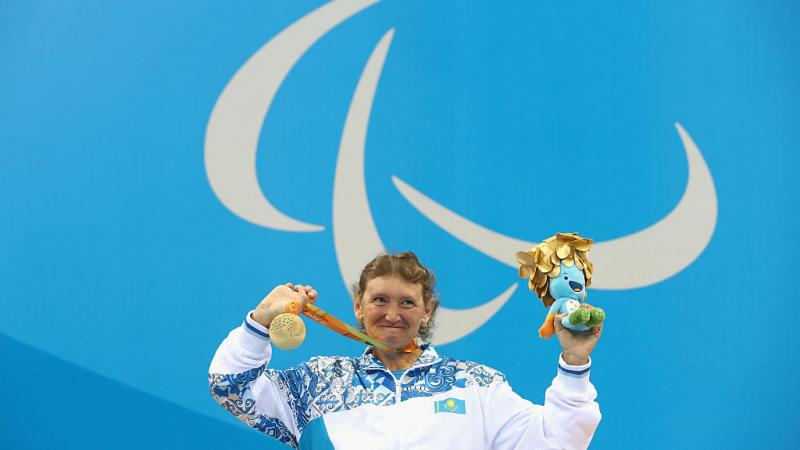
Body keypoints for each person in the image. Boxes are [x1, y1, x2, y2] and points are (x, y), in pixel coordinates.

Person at [209, 252, 602, 449]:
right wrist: (259, 322)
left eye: (408, 303)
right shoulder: (315, 383)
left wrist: (574, 362)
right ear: (358, 307)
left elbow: (557, 442)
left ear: (427, 310)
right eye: (379, 300)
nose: (392, 314)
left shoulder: (476, 385)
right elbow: (231, 388)